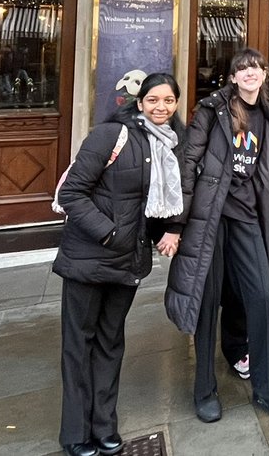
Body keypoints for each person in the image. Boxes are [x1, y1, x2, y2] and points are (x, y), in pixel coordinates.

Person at [54, 72, 184, 456]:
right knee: (79, 344)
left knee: (111, 343)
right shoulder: (111, 135)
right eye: (153, 100)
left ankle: (104, 426)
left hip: (128, 262)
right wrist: (109, 234)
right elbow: (72, 193)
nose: (161, 107)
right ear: (139, 102)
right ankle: (76, 433)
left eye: (169, 101)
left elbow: (155, 203)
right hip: (89, 259)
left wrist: (170, 230)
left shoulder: (167, 143)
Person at [165, 49, 269, 424]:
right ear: (233, 77)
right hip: (209, 218)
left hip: (247, 217)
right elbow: (188, 163)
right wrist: (176, 223)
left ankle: (267, 390)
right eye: (242, 68)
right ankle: (204, 391)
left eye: (255, 67)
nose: (250, 72)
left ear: (265, 74)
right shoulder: (213, 110)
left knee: (263, 298)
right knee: (207, 303)